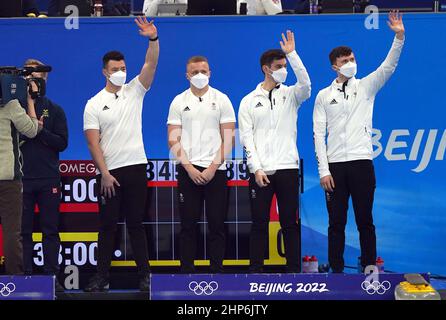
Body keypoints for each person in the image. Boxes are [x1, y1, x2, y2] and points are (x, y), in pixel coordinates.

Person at [313, 11, 405, 273]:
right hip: (335, 168)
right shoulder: (323, 96)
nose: (351, 63)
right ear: (335, 66)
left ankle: (368, 268)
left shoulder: (366, 87)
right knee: (336, 223)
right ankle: (337, 270)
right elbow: (318, 135)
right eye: (345, 61)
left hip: (362, 164)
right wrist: (324, 170)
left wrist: (399, 37)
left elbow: (389, 66)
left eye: (352, 59)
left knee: (365, 220)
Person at [83, 16, 159, 291]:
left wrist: (153, 39)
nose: (121, 72)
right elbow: (93, 143)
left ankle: (145, 277)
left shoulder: (134, 91)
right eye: (116, 69)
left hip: (137, 167)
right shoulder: (93, 104)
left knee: (137, 225)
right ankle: (101, 277)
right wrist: (104, 173)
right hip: (110, 173)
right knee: (108, 228)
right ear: (105, 72)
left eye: (123, 68)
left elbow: (150, 64)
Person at [238, 30, 311, 273]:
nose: (284, 70)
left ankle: (293, 272)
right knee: (259, 223)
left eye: (285, 65)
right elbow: (247, 138)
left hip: (288, 169)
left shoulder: (291, 95)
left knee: (290, 223)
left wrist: (293, 55)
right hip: (261, 172)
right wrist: (256, 169)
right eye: (280, 66)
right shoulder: (248, 100)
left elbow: (307, 85)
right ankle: (255, 273)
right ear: (266, 69)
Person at [167, 56, 236, 273]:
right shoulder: (178, 101)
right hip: (188, 171)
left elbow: (229, 138)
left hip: (216, 171)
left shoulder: (222, 99)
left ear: (210, 73)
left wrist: (212, 168)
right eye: (195, 72)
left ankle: (217, 272)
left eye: (203, 71)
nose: (200, 75)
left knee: (217, 225)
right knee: (188, 225)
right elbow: (173, 139)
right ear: (187, 75)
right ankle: (186, 272)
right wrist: (189, 168)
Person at [20, 59, 68, 291]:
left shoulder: (55, 109)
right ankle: (25, 276)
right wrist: (32, 129)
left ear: (45, 79)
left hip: (49, 179)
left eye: (37, 77)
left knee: (50, 230)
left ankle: (52, 278)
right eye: (29, 77)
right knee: (23, 232)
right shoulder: (14, 108)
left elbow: (62, 143)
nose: (34, 81)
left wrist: (40, 132)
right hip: (21, 179)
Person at [0, 94, 39, 275]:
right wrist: (30, 101)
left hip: (9, 178)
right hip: (8, 178)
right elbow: (31, 130)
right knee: (12, 233)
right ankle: (15, 282)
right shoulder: (11, 103)